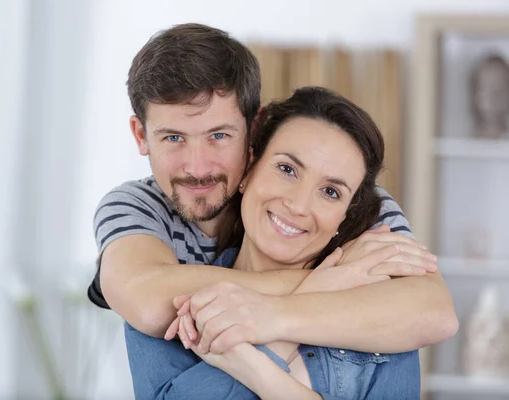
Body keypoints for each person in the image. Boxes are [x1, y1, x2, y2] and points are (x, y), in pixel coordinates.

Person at [87, 22, 456, 360]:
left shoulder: (346, 201)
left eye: (219, 136)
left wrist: (274, 315)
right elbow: (149, 304)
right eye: (173, 138)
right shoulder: (136, 205)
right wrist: (335, 280)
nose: (198, 168)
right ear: (141, 135)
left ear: (254, 126)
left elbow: (434, 312)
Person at [125, 87, 421, 399]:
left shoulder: (385, 318)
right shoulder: (174, 301)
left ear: (343, 219)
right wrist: (316, 292)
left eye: (331, 191)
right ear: (248, 169)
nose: (298, 205)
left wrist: (248, 360)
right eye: (287, 169)